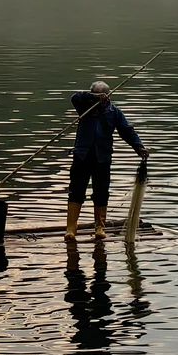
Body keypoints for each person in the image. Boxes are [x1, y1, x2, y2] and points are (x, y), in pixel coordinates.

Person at [66, 79, 147, 241]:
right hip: (82, 156)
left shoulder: (113, 112)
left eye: (102, 95)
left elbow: (126, 130)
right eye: (96, 94)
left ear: (108, 96)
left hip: (102, 158)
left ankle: (100, 227)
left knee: (101, 193)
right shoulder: (84, 107)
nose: (100, 98)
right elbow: (75, 97)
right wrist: (94, 98)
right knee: (76, 191)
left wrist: (138, 146)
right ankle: (71, 229)